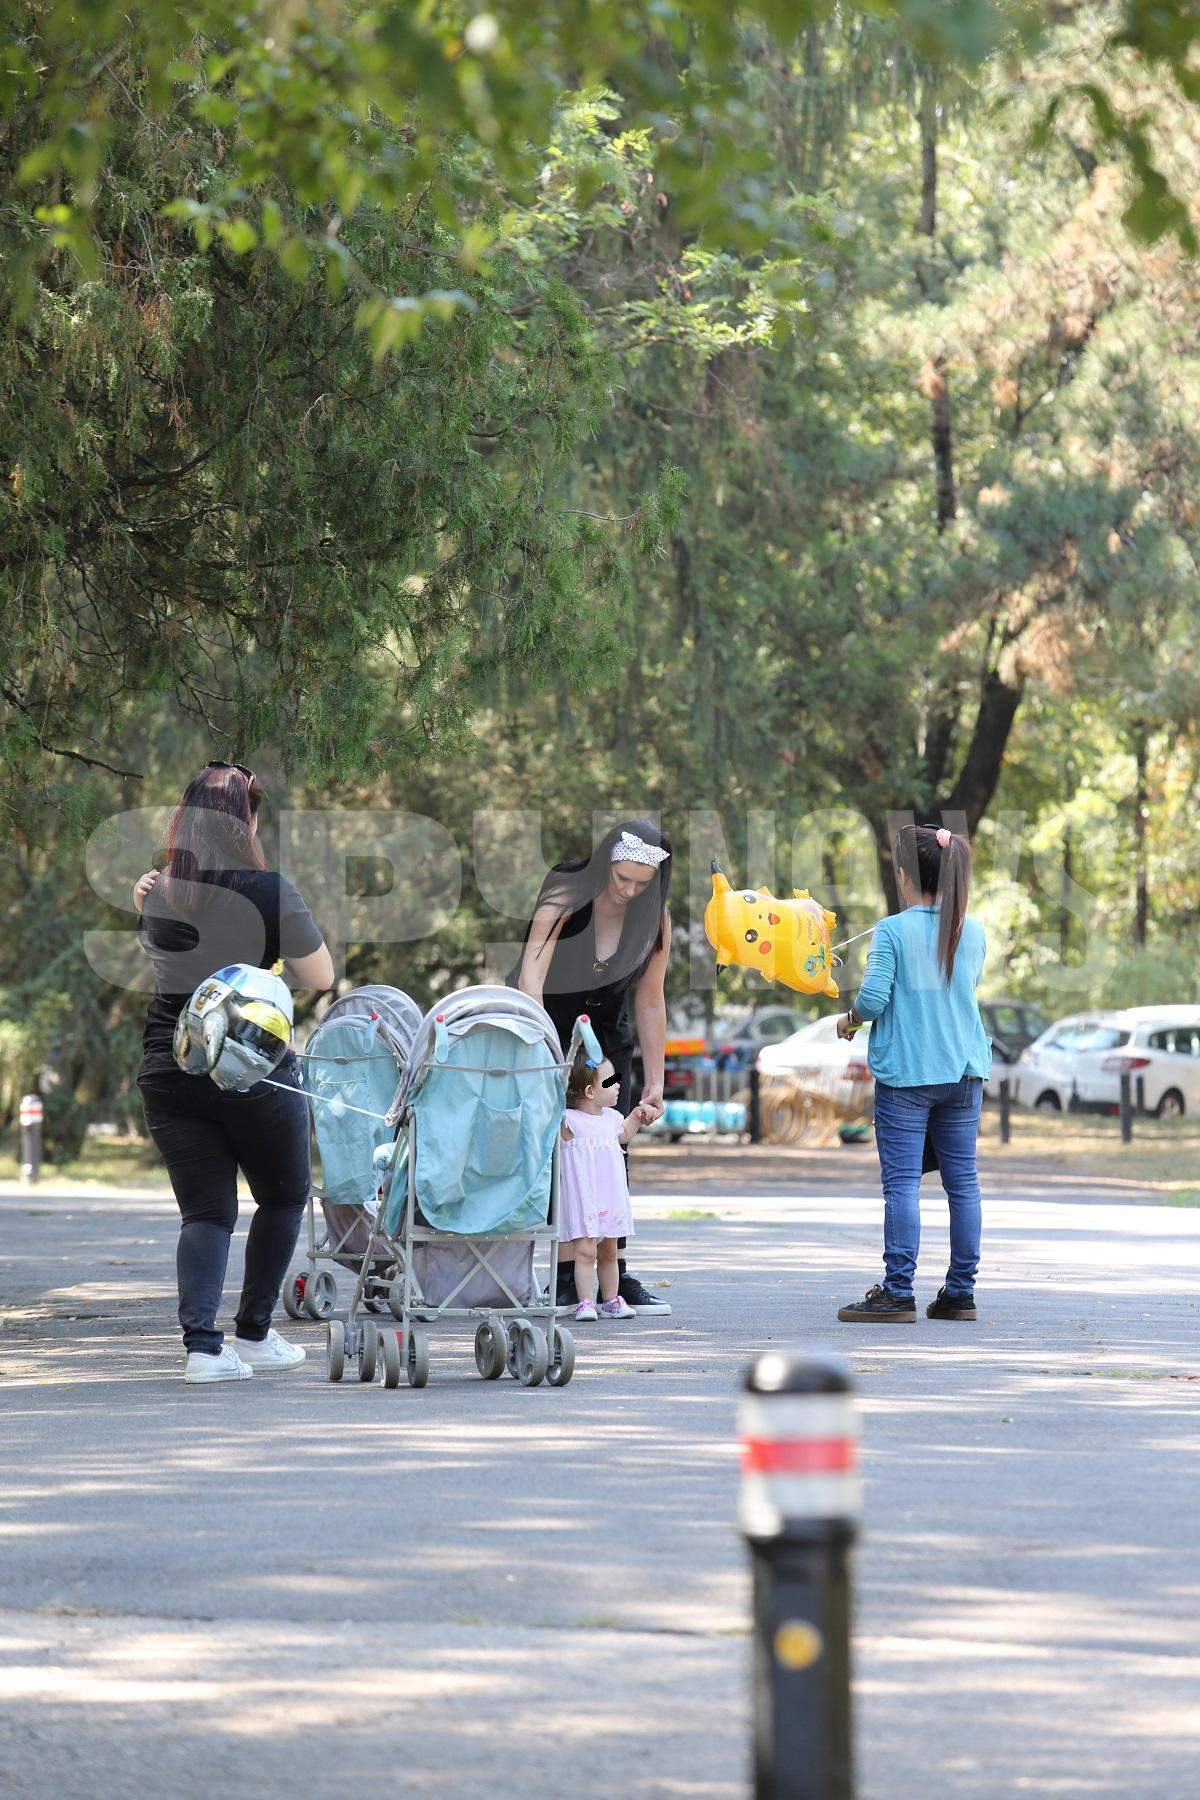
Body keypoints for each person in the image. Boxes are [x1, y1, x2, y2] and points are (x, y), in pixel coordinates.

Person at [134, 762, 335, 1382]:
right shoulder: (272, 889)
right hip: (253, 1067)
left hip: (170, 1066)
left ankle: (202, 1349)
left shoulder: (161, 890)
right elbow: (320, 977)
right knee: (282, 1196)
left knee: (206, 1214)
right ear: (247, 820)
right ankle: (252, 1334)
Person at [512, 818, 672, 1316]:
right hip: (550, 1029)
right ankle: (563, 1277)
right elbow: (531, 974)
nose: (628, 890)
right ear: (604, 863)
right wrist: (540, 1049)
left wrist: (656, 1078)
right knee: (556, 1146)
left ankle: (614, 1280)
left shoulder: (654, 917)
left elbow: (649, 1000)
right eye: (621, 878)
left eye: (641, 884)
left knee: (609, 1149)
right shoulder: (565, 890)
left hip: (607, 1042)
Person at [835, 823, 990, 1324]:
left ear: (904, 875)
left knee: (902, 1184)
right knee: (962, 1183)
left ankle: (898, 1290)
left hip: (907, 1077)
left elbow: (874, 1000)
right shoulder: (975, 930)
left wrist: (850, 1020)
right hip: (964, 1072)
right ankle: (960, 1292)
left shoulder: (894, 931)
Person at [559, 1048, 654, 1322]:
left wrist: (637, 1115)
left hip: (609, 1194)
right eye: (611, 1081)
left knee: (609, 1249)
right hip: (584, 1195)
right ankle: (585, 1301)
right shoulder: (569, 1121)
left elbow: (624, 1134)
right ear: (590, 1091)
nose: (618, 1085)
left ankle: (611, 1299)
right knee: (585, 1249)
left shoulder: (612, 1118)